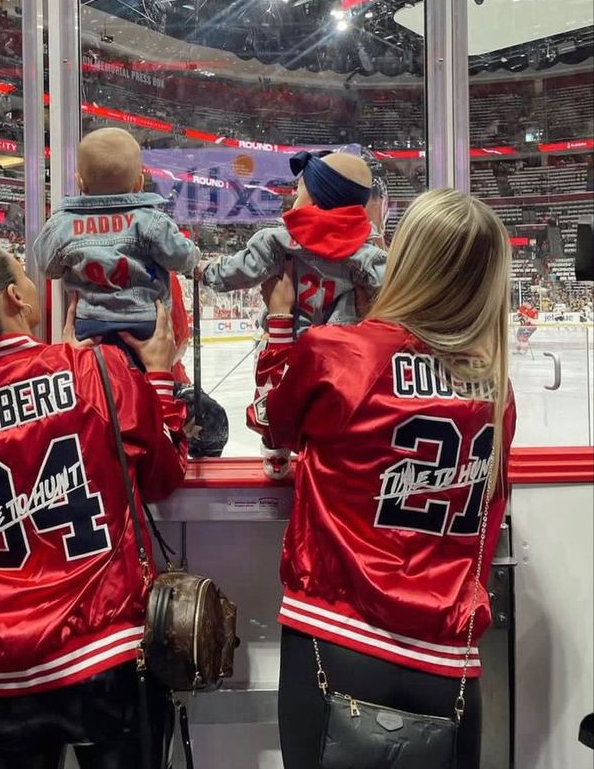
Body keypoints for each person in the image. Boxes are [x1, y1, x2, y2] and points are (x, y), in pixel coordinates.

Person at [0, 239, 188, 769]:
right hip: (99, 655)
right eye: (26, 279)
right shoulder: (92, 370)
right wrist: (160, 378)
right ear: (15, 298)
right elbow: (163, 474)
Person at [247, 189, 516, 769]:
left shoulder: (341, 353)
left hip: (336, 635)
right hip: (450, 655)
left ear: (407, 260)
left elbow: (270, 421)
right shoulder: (495, 388)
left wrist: (277, 320)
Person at [201, 150, 386, 478]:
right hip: (338, 353)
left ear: (315, 195)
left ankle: (275, 450)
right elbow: (393, 287)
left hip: (288, 347)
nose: (295, 193)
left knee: (274, 393)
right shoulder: (365, 251)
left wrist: (203, 270)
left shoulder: (276, 240)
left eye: (300, 187)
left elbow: (233, 273)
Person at [33, 128, 199, 349]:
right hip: (145, 322)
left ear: (80, 182)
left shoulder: (63, 223)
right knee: (141, 377)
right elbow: (182, 259)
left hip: (89, 323)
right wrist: (196, 254)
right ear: (139, 184)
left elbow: (47, 267)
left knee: (96, 377)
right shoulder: (151, 221)